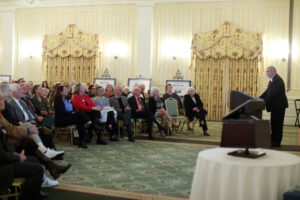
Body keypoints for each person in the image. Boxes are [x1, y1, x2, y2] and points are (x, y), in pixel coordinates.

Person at [259, 66, 288, 147]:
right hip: (276, 107)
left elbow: (272, 94)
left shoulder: (277, 80)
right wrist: (259, 98)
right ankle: (274, 140)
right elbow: (267, 91)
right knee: (274, 123)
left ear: (273, 71)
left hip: (278, 106)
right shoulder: (273, 80)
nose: (267, 73)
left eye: (268, 71)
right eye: (266, 71)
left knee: (277, 124)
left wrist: (264, 100)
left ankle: (276, 142)